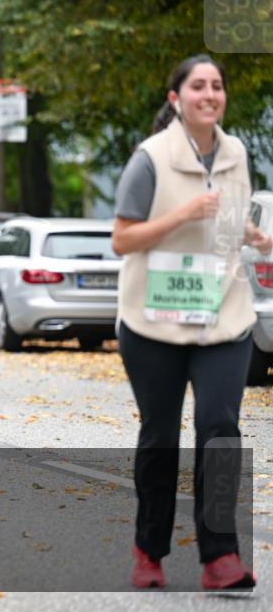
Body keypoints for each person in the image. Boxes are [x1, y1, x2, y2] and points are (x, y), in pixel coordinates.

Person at [112, 55, 268, 590]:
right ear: (176, 98)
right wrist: (183, 214)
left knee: (219, 429)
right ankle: (148, 551)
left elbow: (226, 219)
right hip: (152, 320)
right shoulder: (149, 158)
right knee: (160, 437)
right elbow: (122, 239)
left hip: (222, 314)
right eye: (198, 85)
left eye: (217, 86)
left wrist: (253, 236)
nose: (210, 93)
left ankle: (220, 556)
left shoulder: (236, 152)